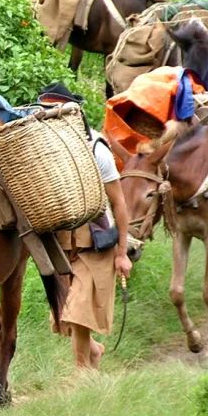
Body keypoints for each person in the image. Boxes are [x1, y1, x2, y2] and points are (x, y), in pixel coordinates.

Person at [40, 84, 133, 369]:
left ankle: (82, 376)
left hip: (96, 243)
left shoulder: (96, 149)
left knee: (78, 313)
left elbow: (118, 203)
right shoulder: (46, 151)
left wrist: (122, 252)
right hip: (63, 246)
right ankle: (93, 351)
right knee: (62, 318)